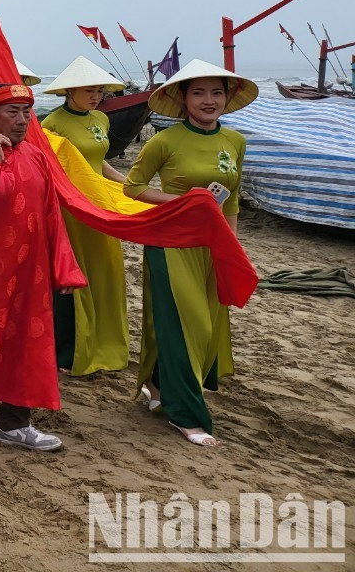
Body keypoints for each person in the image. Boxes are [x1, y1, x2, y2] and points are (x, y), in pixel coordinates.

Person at [123, 60, 255, 448]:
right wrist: (186, 202)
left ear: (228, 97)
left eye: (216, 92)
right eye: (198, 92)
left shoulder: (235, 141)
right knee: (187, 324)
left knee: (207, 325)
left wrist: (232, 247)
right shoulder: (165, 141)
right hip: (172, 245)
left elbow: (232, 201)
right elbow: (133, 188)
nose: (208, 100)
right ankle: (186, 415)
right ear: (182, 98)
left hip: (212, 247)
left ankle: (158, 384)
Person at [0, 82, 86, 452]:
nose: (23, 119)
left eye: (27, 111)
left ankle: (14, 423)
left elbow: (50, 216)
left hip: (31, 272)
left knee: (27, 345)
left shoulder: (38, 157)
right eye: (12, 112)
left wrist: (64, 268)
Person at [40, 56, 130, 375]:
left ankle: (102, 343)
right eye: (90, 90)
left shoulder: (101, 120)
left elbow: (98, 162)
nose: (96, 96)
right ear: (70, 91)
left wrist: (127, 186)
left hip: (100, 203)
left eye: (100, 91)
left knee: (105, 271)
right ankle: (70, 351)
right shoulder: (52, 124)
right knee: (72, 276)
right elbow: (48, 170)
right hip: (70, 209)